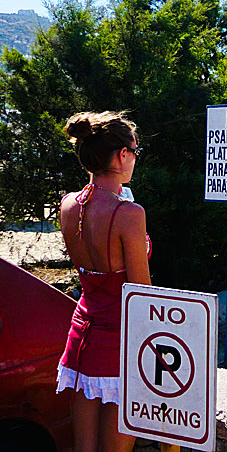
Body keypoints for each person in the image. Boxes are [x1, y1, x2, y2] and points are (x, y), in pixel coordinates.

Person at [55, 111, 151, 452]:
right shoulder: (128, 213)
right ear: (122, 155)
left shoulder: (68, 205)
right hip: (121, 341)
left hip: (82, 331)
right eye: (136, 151)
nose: (136, 159)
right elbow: (142, 294)